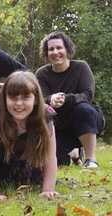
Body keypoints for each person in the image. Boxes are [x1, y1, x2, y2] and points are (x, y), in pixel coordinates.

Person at [0, 71, 59, 200]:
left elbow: (50, 154)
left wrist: (48, 190)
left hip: (30, 168)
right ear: (4, 99)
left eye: (25, 97)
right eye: (13, 97)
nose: (19, 103)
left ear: (35, 99)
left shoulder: (45, 114)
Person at [35, 32, 105, 168]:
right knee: (59, 163)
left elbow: (88, 95)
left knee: (82, 108)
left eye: (59, 48)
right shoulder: (42, 73)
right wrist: (51, 99)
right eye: (51, 49)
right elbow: (40, 100)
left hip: (87, 120)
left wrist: (65, 99)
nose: (55, 52)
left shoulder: (81, 67)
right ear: (46, 52)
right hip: (60, 127)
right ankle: (74, 154)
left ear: (67, 49)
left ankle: (91, 159)